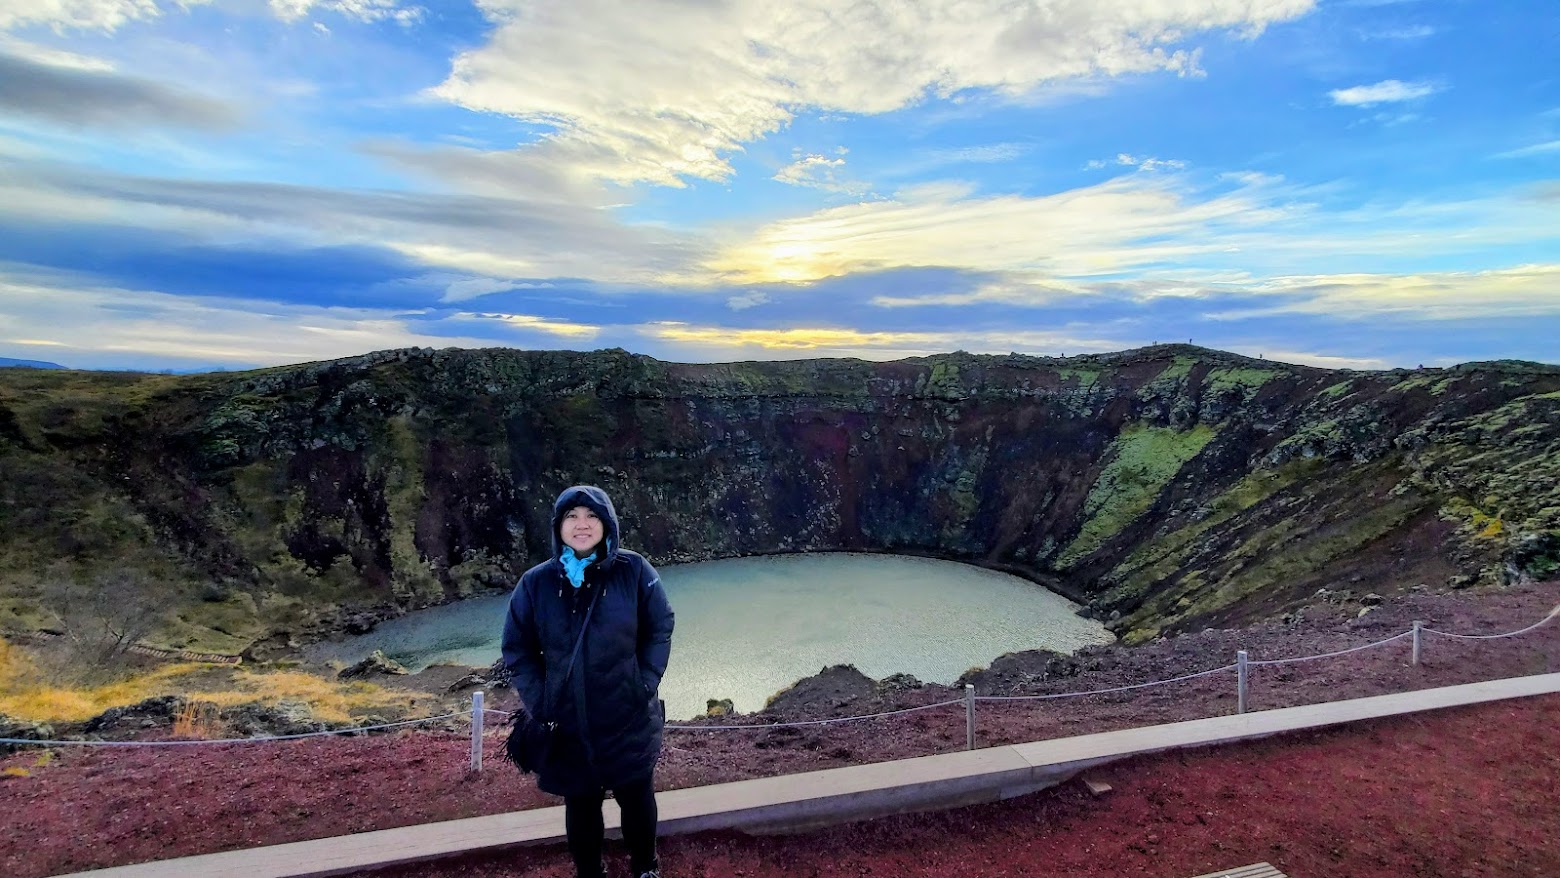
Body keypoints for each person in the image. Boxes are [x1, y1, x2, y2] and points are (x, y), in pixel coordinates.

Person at [502, 485, 675, 878]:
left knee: (637, 798)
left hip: (627, 715)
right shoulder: (536, 584)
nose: (582, 524)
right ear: (558, 526)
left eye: (592, 516)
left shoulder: (634, 572)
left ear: (607, 524)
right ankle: (589, 871)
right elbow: (517, 647)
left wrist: (644, 681)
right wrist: (540, 701)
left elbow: (660, 626)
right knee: (580, 805)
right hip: (568, 723)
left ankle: (645, 866)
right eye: (572, 516)